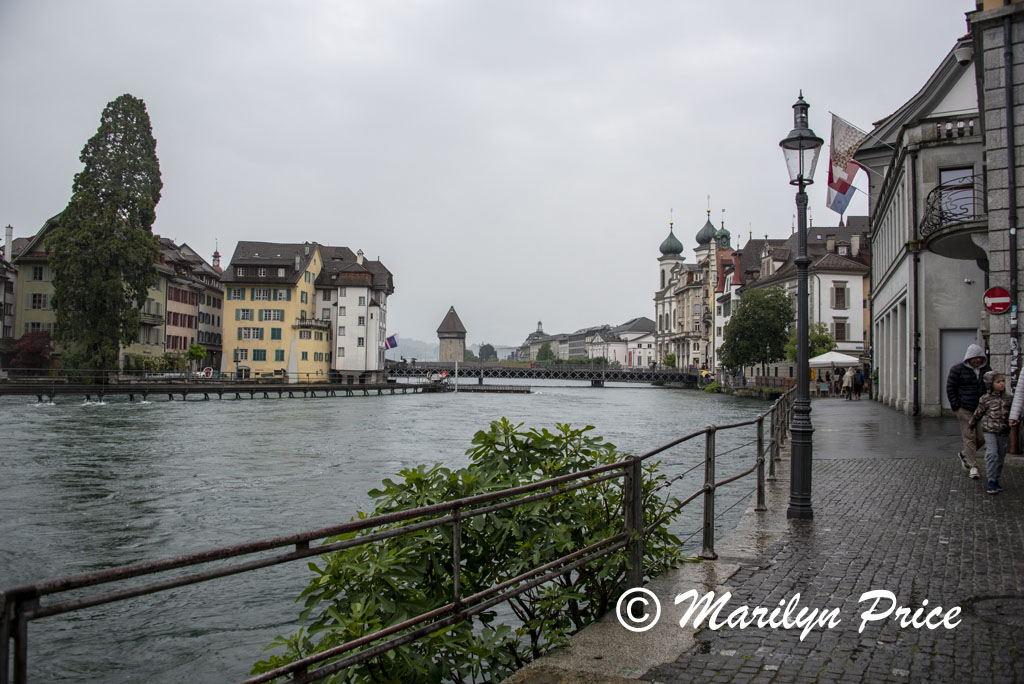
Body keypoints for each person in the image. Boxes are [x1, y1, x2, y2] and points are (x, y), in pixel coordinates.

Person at [946, 343, 991, 480]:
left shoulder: (986, 370)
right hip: (965, 409)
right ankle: (973, 466)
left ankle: (965, 454)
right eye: (975, 358)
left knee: (981, 438)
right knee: (969, 437)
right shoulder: (957, 370)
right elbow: (950, 387)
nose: (978, 360)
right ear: (969, 358)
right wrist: (956, 406)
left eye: (980, 358)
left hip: (981, 409)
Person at [969, 371, 1012, 494]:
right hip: (989, 430)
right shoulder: (985, 399)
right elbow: (978, 412)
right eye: (998, 382)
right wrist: (972, 424)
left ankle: (996, 478)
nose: (1002, 384)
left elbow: (1014, 413)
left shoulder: (1008, 398)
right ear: (990, 384)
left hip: (1004, 431)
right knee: (992, 454)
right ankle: (991, 480)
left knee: (1000, 456)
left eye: (1003, 381)